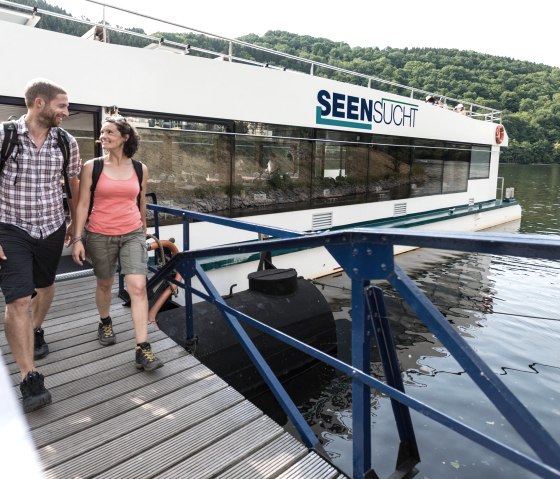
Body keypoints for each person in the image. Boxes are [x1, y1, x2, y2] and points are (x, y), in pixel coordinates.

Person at [0, 78, 81, 412]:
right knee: (19, 298)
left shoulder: (66, 142)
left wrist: (76, 224)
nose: (66, 111)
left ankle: (36, 329)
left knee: (45, 286)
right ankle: (29, 376)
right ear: (39, 103)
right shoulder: (4, 136)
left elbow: (73, 183)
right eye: (61, 105)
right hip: (10, 226)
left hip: (51, 226)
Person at [71, 116, 163, 371]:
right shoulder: (92, 166)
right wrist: (78, 238)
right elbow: (82, 204)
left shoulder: (139, 169)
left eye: (109, 132)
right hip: (100, 233)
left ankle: (142, 348)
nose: (104, 136)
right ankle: (104, 321)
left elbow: (141, 201)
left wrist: (143, 230)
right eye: (102, 132)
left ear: (125, 137)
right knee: (105, 283)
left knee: (138, 287)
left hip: (132, 233)